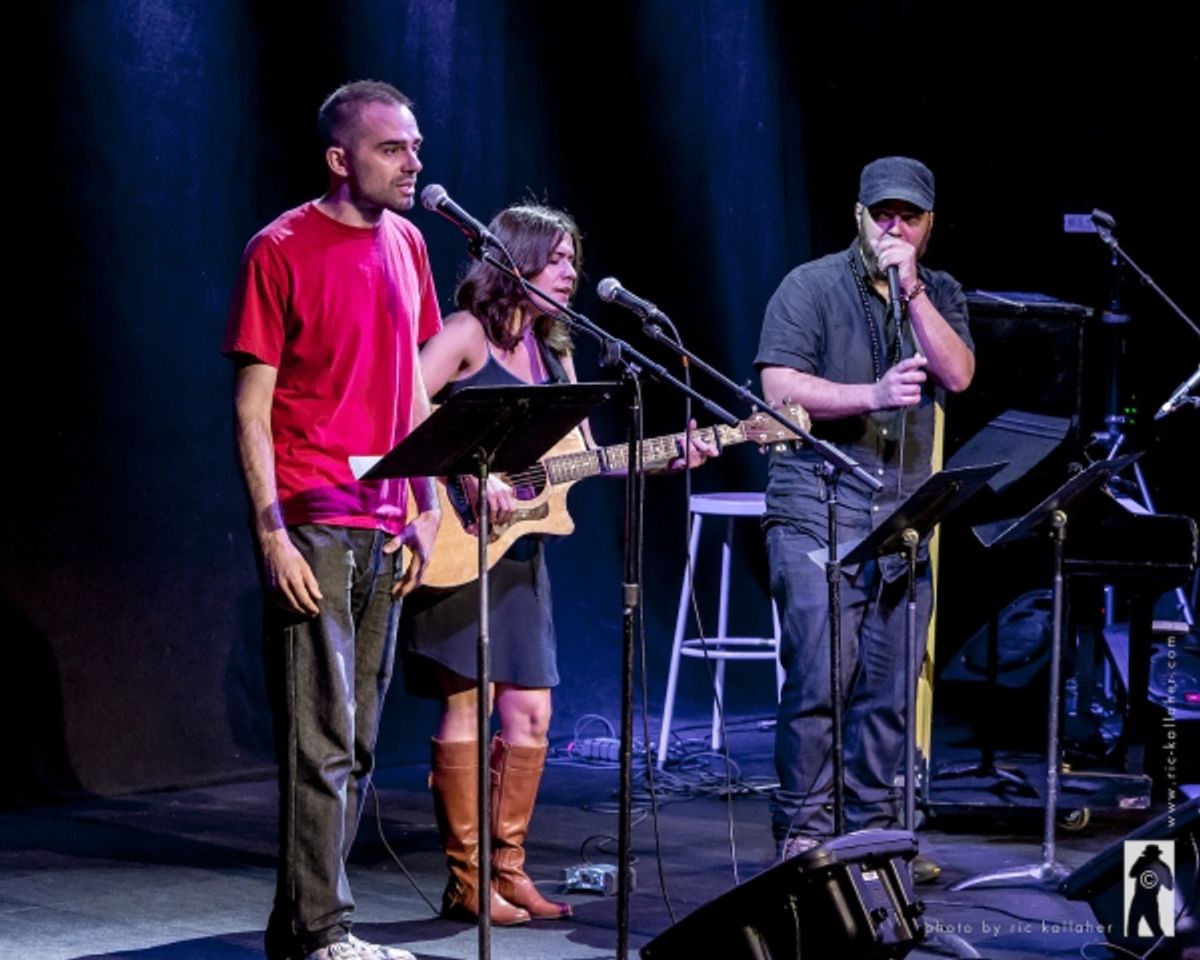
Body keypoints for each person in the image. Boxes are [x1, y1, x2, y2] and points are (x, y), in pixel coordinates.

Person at [400, 202, 716, 925]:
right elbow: (404, 406)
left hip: (520, 554)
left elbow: (586, 460)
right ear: (515, 260)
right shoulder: (466, 334)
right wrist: (468, 474)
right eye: (558, 258)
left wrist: (670, 456)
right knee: (471, 704)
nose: (571, 272)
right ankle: (466, 881)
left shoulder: (555, 354)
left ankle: (508, 871)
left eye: (575, 258)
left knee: (533, 714)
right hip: (458, 540)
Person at [223, 80, 442, 960]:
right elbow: (251, 410)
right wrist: (271, 534)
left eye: (415, 146)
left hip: (387, 517)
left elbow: (413, 385)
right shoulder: (280, 248)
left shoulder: (410, 244)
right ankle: (324, 931)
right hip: (314, 513)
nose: (413, 162)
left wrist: (428, 503)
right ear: (339, 159)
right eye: (393, 149)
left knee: (358, 737)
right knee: (321, 738)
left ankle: (303, 931)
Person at [754, 156, 975, 875]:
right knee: (820, 680)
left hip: (901, 519)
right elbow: (778, 390)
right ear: (859, 215)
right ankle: (804, 835)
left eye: (909, 217)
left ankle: (873, 838)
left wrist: (912, 290)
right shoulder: (811, 285)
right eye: (883, 214)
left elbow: (958, 374)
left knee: (888, 692)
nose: (894, 228)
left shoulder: (938, 293)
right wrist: (872, 394)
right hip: (817, 509)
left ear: (929, 225)